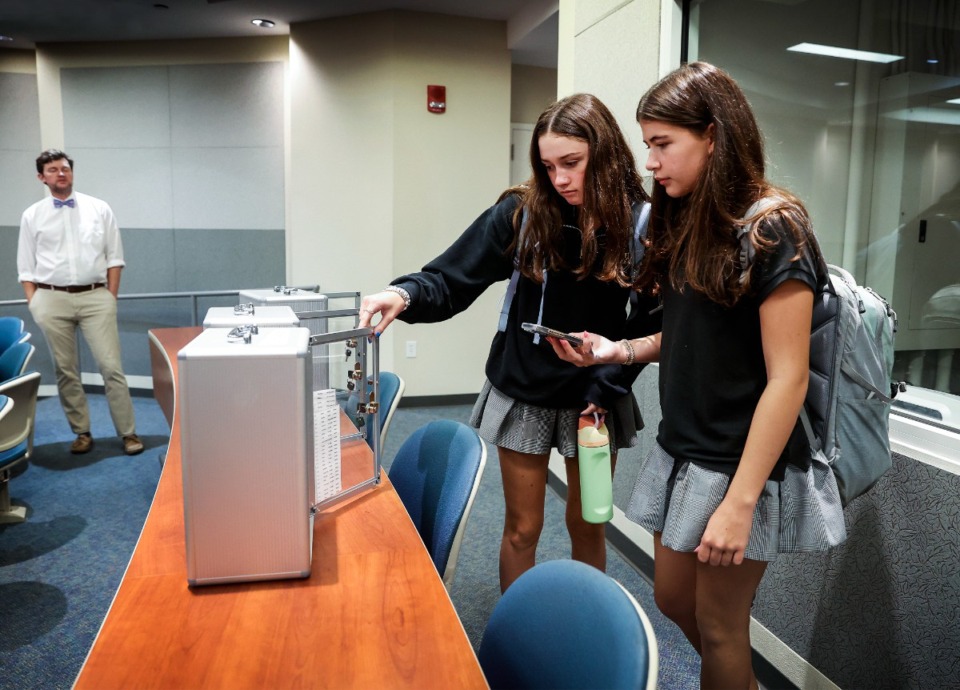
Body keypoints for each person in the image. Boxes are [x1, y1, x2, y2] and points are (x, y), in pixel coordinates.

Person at [548, 62, 845, 690]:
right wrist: (618, 351)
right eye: (647, 145)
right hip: (685, 447)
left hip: (740, 462)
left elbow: (787, 378)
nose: (650, 163)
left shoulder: (774, 227)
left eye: (663, 145)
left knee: (718, 623)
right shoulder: (684, 218)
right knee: (674, 598)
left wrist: (740, 503)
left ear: (713, 135)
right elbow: (691, 337)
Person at [358, 93, 661, 592]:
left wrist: (606, 384)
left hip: (595, 397)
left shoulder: (640, 224)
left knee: (588, 524)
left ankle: (581, 629)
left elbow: (647, 325)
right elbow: (452, 278)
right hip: (524, 392)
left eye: (572, 164)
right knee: (523, 528)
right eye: (548, 166)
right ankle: (517, 643)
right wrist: (403, 293)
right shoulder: (522, 212)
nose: (560, 179)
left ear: (604, 156)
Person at [17, 149, 144, 456]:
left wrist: (109, 297)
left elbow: (115, 258)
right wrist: (36, 302)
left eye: (65, 168)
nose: (61, 173)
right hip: (51, 299)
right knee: (65, 370)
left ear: (71, 173)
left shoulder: (99, 209)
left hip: (95, 297)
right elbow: (26, 266)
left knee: (111, 366)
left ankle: (128, 433)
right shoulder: (32, 215)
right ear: (41, 177)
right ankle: (82, 432)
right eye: (53, 170)